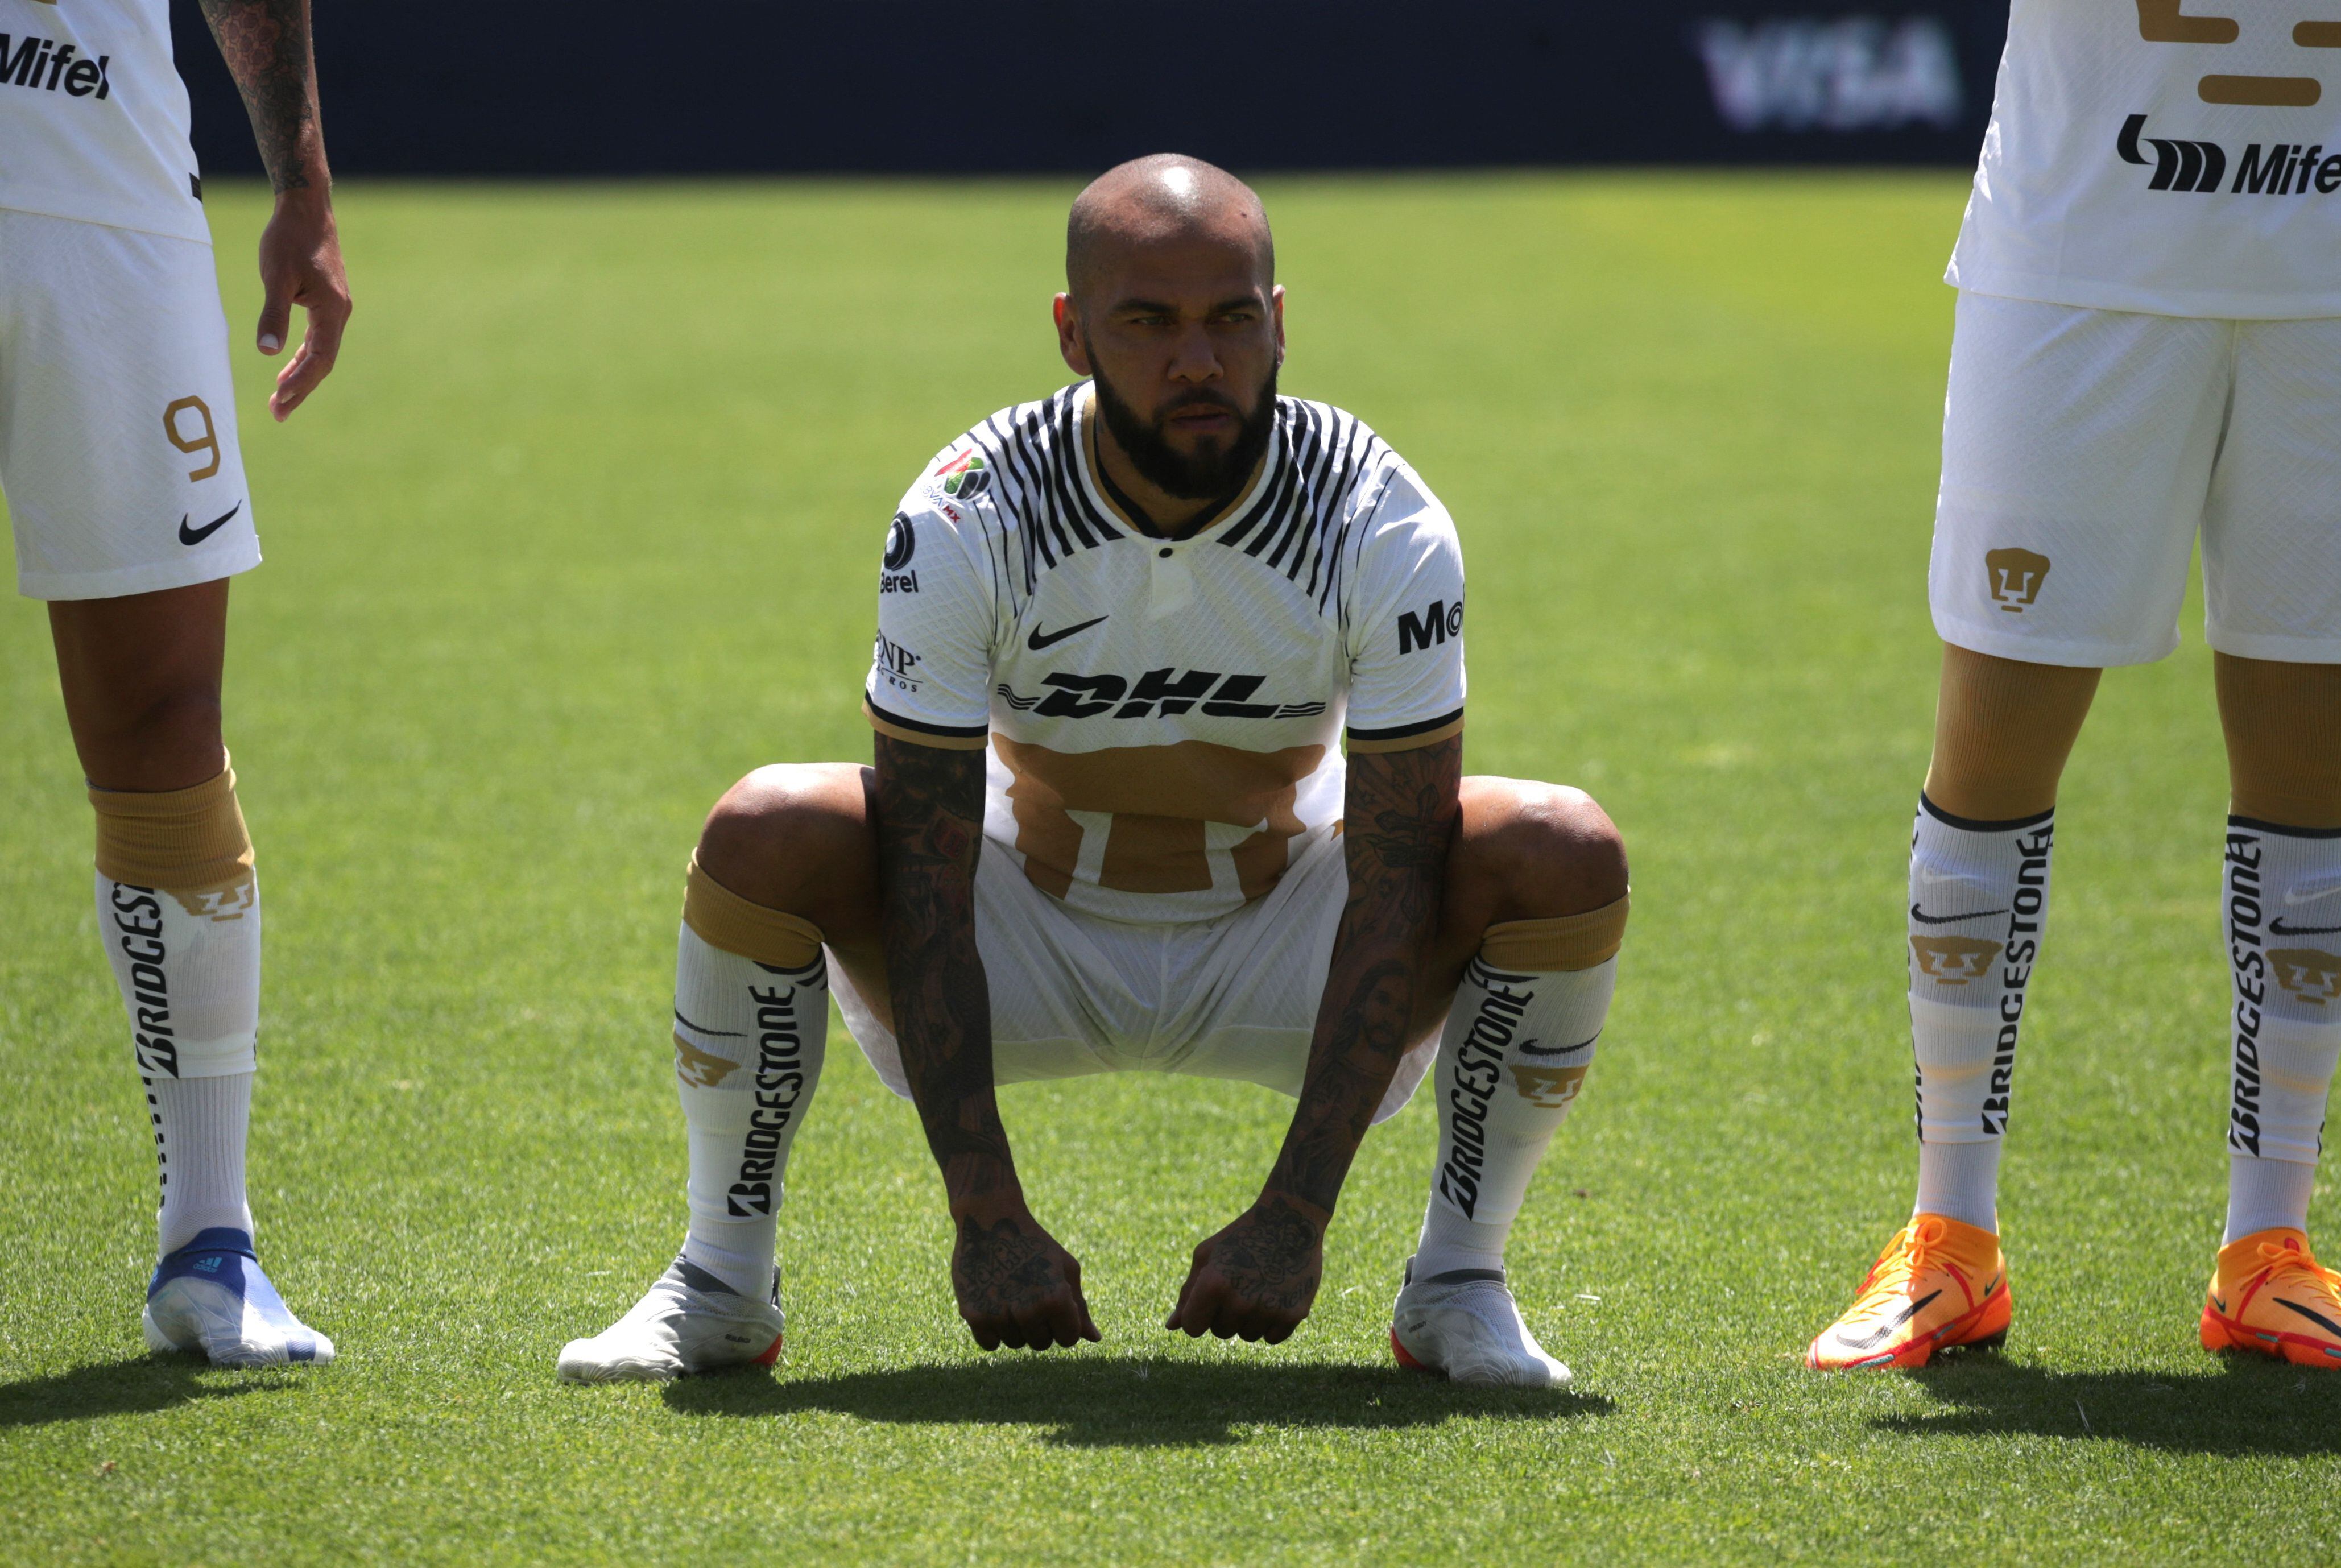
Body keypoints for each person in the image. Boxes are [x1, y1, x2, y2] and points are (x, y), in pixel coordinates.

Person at [560, 155, 1629, 1388]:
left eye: (1232, 318)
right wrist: (986, 1215)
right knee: (767, 827)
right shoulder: (970, 509)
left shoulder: (1377, 516)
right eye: (1148, 321)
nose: (1198, 360)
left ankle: (1458, 1283)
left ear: (1279, 323)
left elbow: (1395, 876)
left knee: (1563, 847)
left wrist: (1298, 1210)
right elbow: (923, 864)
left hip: (1287, 934)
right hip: (1026, 932)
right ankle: (720, 1279)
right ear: (1073, 334)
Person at [1808, 0, 2341, 1370]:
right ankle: (1950, 1233)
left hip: (2329, 273)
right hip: (2083, 253)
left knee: (2312, 775)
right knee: (1993, 748)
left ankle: (2269, 1243)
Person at [2, 0, 351, 1364]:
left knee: (163, 726)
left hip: (106, 184)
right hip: (102, 199)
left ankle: (212, 1244)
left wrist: (304, 181)